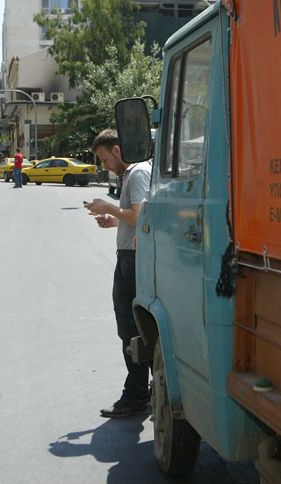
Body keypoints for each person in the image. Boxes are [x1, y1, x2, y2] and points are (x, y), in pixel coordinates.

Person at [85, 129, 152, 418]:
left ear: (116, 149)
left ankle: (136, 396)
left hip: (134, 261)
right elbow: (136, 220)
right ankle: (146, 391)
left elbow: (139, 216)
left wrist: (108, 206)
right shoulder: (133, 174)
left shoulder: (137, 174)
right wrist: (113, 221)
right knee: (136, 330)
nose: (104, 166)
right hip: (131, 257)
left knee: (130, 331)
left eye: (104, 159)